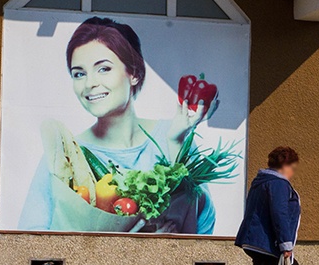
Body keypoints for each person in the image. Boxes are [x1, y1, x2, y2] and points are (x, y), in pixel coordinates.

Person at [19, 16, 216, 233]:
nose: (90, 83)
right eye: (79, 74)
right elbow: (32, 235)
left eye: (103, 69)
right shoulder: (63, 155)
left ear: (134, 73)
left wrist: (176, 144)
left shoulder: (172, 135)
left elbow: (203, 226)